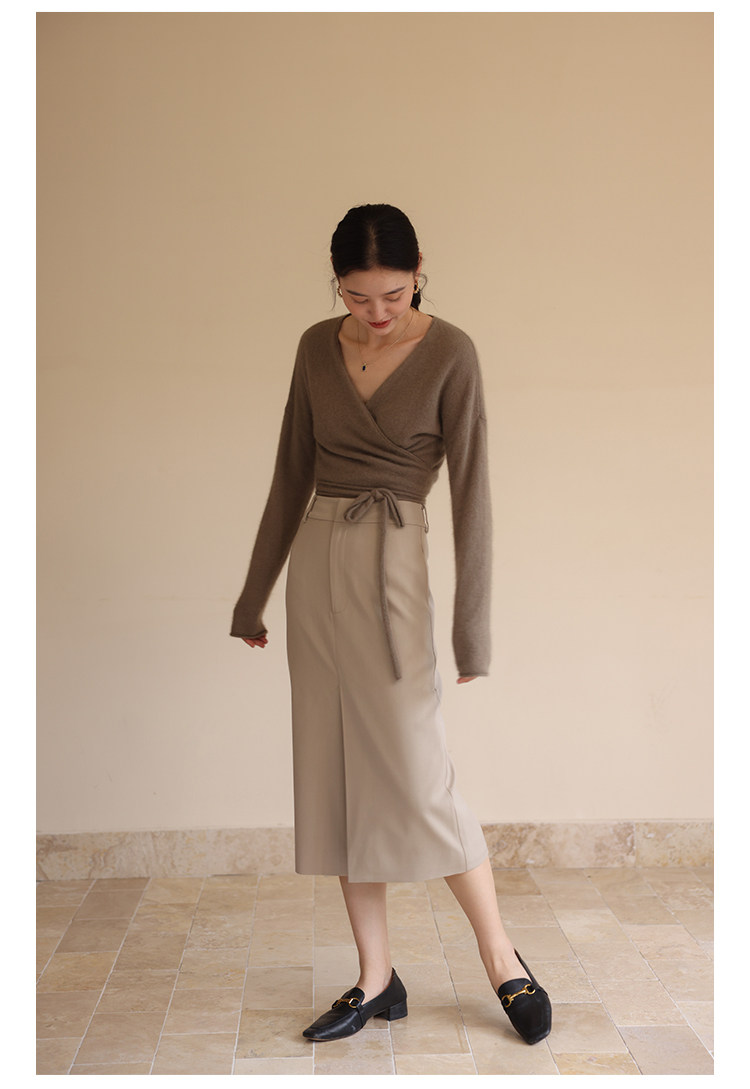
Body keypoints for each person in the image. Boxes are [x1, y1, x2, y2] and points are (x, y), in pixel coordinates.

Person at [230, 204, 551, 1046]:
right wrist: (252, 595)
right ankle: (376, 978)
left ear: (418, 273)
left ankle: (501, 956)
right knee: (336, 773)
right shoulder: (314, 346)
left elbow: (473, 492)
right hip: (317, 564)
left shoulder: (451, 353)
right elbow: (291, 471)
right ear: (336, 283)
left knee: (419, 771)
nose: (375, 312)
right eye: (356, 296)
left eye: (394, 295)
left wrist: (472, 630)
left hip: (394, 561)